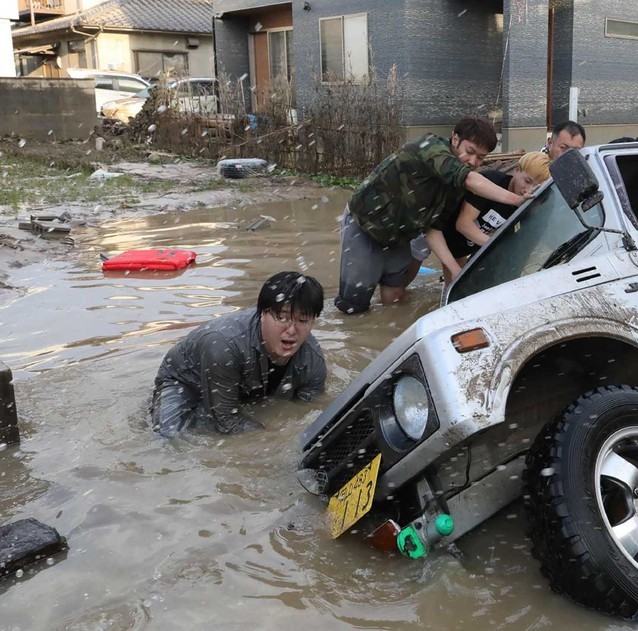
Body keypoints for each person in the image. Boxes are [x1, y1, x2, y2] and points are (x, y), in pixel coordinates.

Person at [335, 116, 529, 314]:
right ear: (455, 139)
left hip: (400, 235)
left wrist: (456, 271)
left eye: (480, 158)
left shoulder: (456, 187)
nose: (473, 161)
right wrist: (516, 199)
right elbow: (469, 179)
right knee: (353, 307)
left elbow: (433, 229)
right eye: (470, 152)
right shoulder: (430, 148)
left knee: (394, 297)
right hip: (365, 224)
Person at [150, 271, 326, 436]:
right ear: (262, 314)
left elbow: (308, 409)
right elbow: (226, 420)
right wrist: (271, 438)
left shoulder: (313, 360)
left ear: (312, 321)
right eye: (282, 318)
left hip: (246, 385)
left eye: (302, 320)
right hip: (186, 382)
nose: (291, 330)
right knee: (168, 435)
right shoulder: (223, 345)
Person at [422, 151, 550, 283]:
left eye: (536, 186)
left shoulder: (529, 203)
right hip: (433, 230)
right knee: (403, 280)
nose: (528, 190)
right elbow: (463, 225)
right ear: (517, 170)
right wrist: (497, 245)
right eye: (527, 181)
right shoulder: (491, 182)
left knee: (458, 289)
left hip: (461, 247)